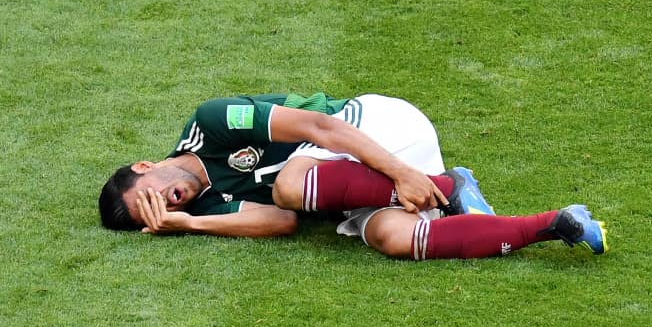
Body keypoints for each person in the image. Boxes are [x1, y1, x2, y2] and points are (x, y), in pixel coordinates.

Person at [99, 92, 608, 259]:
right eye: (163, 210)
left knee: (290, 183)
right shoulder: (201, 208)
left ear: (144, 166)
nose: (170, 199)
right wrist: (189, 225)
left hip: (381, 130)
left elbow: (321, 127)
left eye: (154, 193)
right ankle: (555, 225)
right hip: (364, 183)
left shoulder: (211, 123)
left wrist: (401, 172)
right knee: (392, 238)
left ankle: (451, 186)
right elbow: (281, 223)